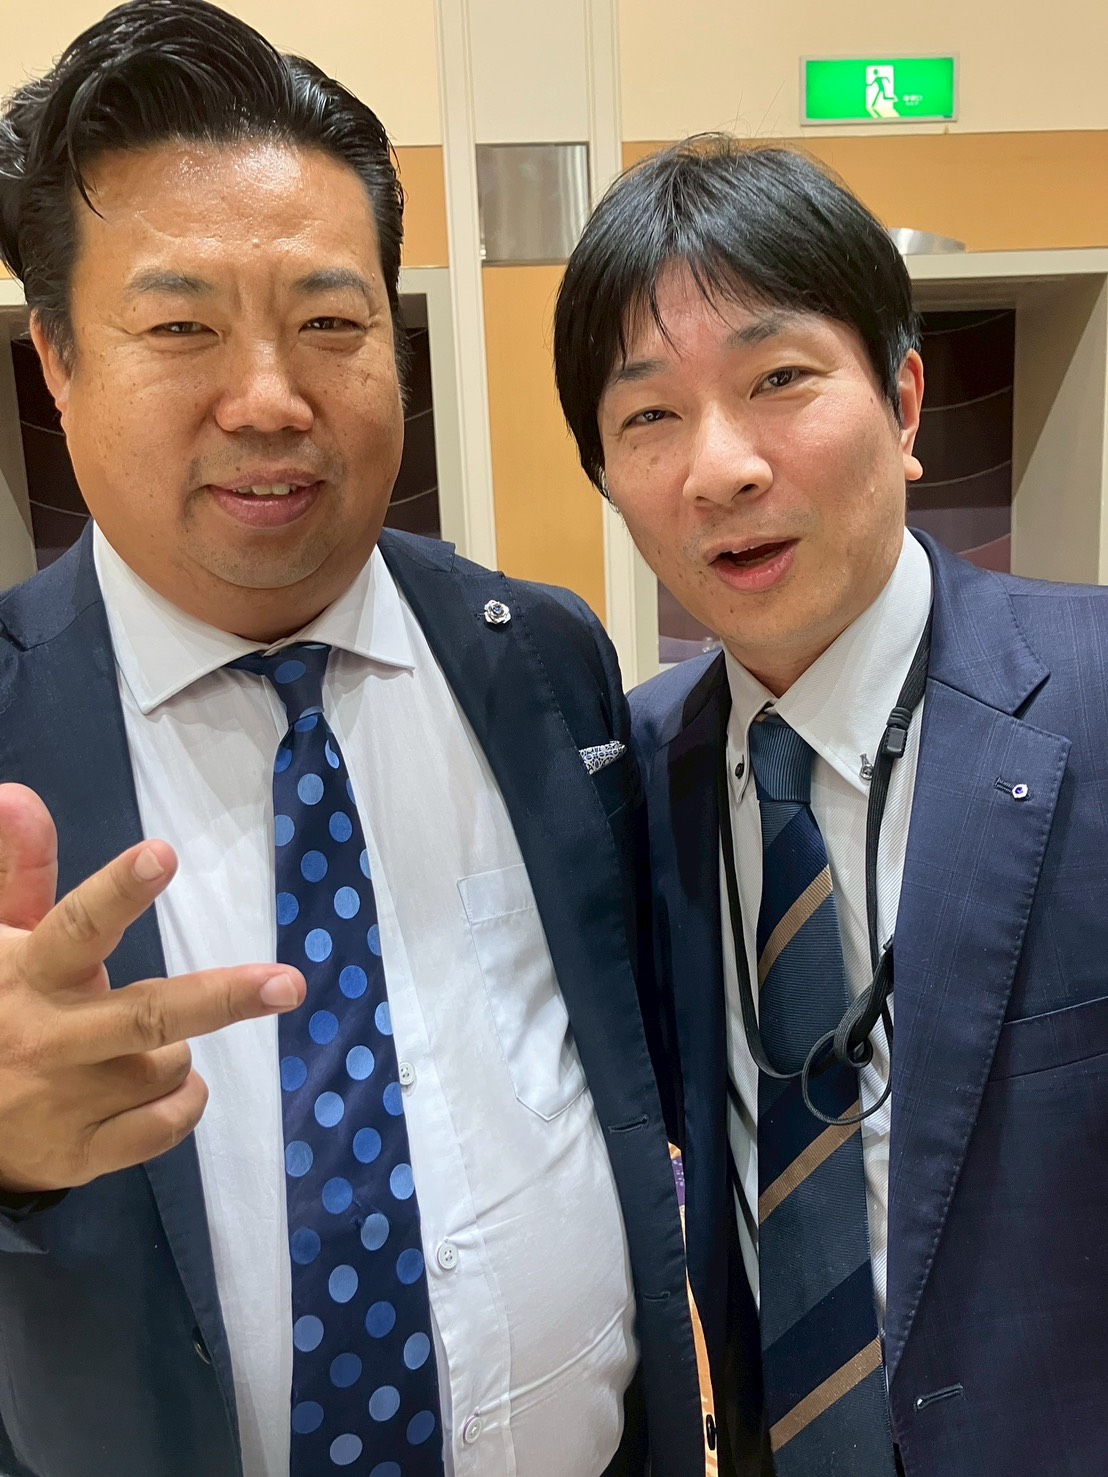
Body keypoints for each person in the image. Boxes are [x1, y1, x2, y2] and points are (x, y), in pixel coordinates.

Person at [0, 5, 706, 1475]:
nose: (270, 399)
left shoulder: (543, 656)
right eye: (181, 326)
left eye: (332, 324)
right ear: (56, 358)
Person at [553, 135, 1108, 1477]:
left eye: (780, 379)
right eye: (648, 418)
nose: (722, 468)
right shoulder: (634, 770)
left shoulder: (1091, 698)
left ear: (904, 401)